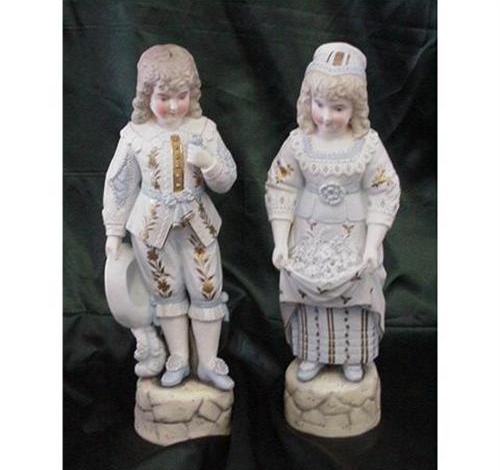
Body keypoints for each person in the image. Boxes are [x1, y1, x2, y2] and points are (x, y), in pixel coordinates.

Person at [103, 44, 237, 390]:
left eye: (181, 96)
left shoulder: (204, 129)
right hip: (151, 226)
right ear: (146, 95)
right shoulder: (135, 136)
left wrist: (208, 163)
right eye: (164, 97)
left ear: (192, 93)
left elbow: (226, 180)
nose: (174, 106)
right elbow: (120, 183)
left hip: (198, 223)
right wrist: (114, 231)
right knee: (166, 289)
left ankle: (207, 361)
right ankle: (178, 357)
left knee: (207, 288)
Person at [265, 43, 400, 382]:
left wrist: (372, 244)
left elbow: (384, 190)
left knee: (354, 294)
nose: (326, 116)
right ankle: (312, 353)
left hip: (352, 236)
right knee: (310, 299)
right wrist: (280, 240)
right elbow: (281, 186)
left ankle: (353, 356)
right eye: (319, 104)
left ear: (355, 108)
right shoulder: (298, 143)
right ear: (307, 99)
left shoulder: (367, 145)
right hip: (307, 235)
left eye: (338, 108)